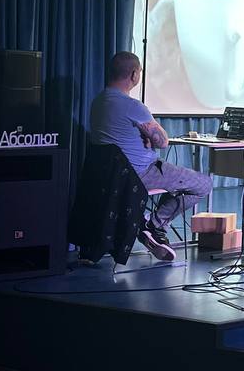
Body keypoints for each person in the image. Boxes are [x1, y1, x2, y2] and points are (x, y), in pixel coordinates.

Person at [88, 52, 211, 261]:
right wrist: (150, 136)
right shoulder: (133, 106)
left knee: (179, 181)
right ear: (134, 75)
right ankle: (153, 224)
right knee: (203, 184)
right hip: (141, 173)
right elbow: (163, 142)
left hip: (109, 176)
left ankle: (150, 225)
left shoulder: (98, 102)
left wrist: (143, 135)